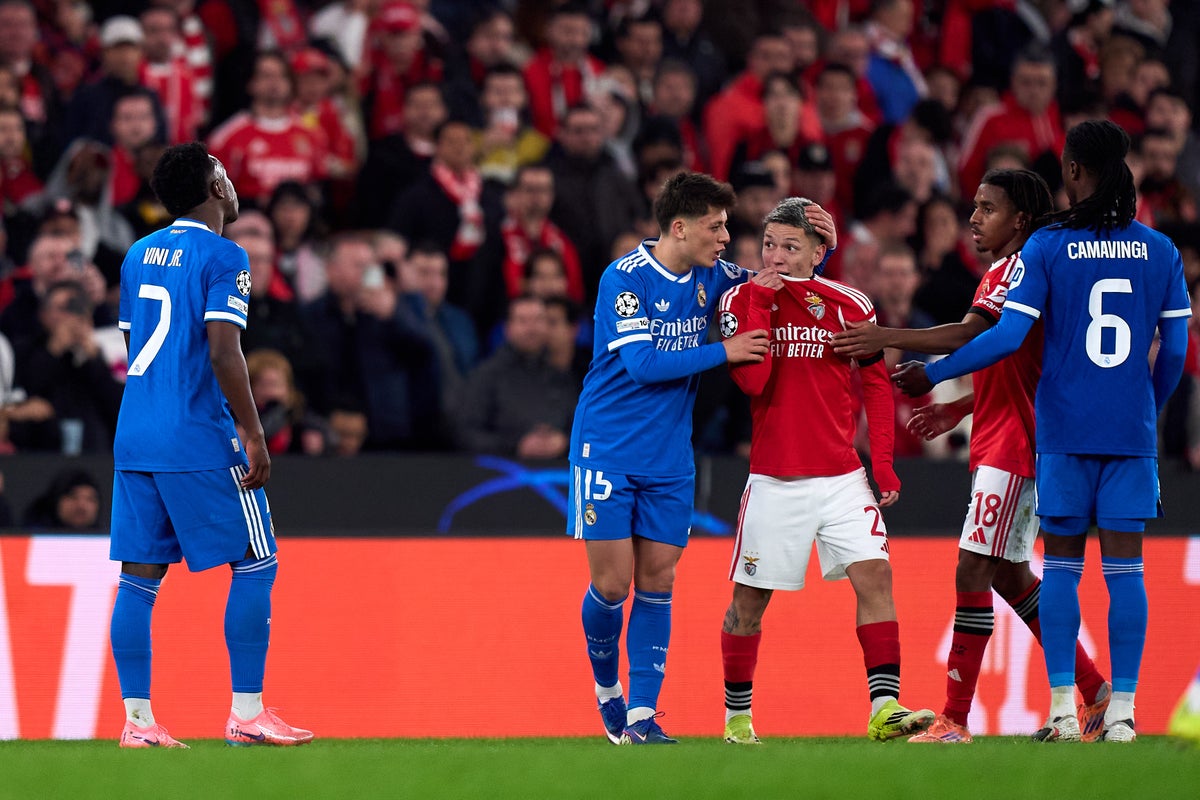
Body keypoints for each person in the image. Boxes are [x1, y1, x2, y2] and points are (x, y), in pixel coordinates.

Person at [892, 121, 1191, 743]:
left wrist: (935, 374)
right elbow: (1174, 352)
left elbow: (1005, 337)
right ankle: (1119, 711)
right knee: (1123, 574)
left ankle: (1047, 713)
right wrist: (1146, 407)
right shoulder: (1160, 249)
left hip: (1054, 435)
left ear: (1074, 171)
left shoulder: (1049, 248)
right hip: (1127, 435)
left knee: (1052, 570)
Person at [832, 169, 1112, 743]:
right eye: (976, 206)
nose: (975, 218)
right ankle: (1094, 690)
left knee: (972, 568)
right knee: (1008, 574)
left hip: (1016, 442)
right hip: (1006, 430)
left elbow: (969, 336)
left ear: (1021, 219)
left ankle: (955, 719)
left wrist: (887, 336)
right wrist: (959, 408)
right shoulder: (1018, 268)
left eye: (988, 208)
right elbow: (1014, 362)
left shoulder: (1018, 269)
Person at [108, 142, 313, 748]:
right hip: (196, 432)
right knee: (257, 560)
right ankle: (247, 714)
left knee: (139, 577)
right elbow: (225, 350)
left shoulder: (137, 254)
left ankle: (138, 724)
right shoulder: (226, 255)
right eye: (222, 169)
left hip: (135, 432)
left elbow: (134, 347)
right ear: (215, 186)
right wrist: (253, 431)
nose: (230, 177)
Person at [715, 196, 932, 744]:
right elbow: (752, 383)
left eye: (791, 246)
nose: (776, 256)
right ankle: (737, 718)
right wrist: (763, 302)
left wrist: (883, 465)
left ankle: (885, 708)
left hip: (841, 477)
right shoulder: (740, 299)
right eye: (769, 244)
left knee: (876, 576)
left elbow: (876, 385)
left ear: (818, 252)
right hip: (775, 478)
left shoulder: (849, 303)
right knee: (749, 601)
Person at [570, 171, 772, 746]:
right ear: (679, 228)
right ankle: (607, 688)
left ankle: (641, 716)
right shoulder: (625, 279)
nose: (726, 238)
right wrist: (725, 350)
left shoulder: (714, 275)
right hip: (607, 449)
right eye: (716, 226)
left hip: (670, 458)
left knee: (658, 580)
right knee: (613, 585)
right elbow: (642, 366)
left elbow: (775, 281)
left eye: (726, 226)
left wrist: (818, 246)